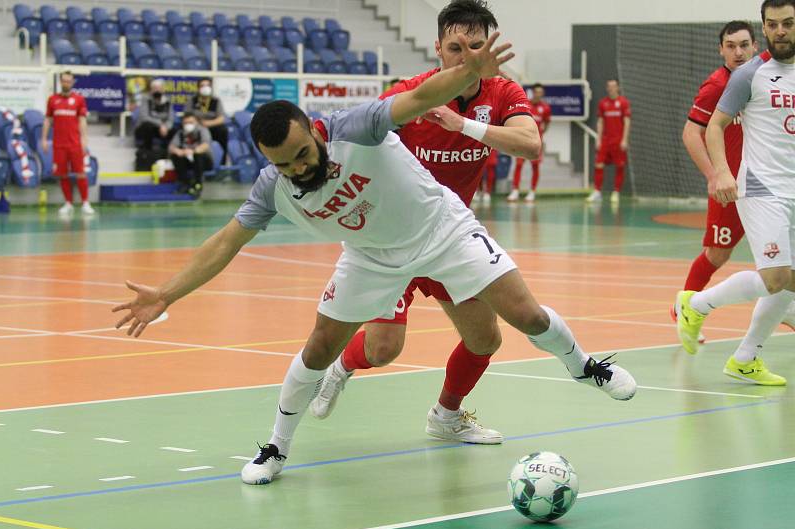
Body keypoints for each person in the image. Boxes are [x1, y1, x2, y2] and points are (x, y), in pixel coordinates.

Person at [112, 32, 637, 487]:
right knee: (319, 347)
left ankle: (584, 366)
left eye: (302, 155)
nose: (298, 169)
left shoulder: (354, 126)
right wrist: (166, 294)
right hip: (371, 256)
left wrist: (467, 75)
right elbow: (225, 243)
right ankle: (275, 447)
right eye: (284, 164)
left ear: (315, 134)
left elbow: (418, 98)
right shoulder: (274, 188)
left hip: (442, 229)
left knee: (525, 315)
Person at [312, 0, 540, 445]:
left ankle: (446, 417)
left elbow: (530, 145)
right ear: (438, 48)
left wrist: (464, 126)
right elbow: (355, 136)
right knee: (382, 349)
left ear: (489, 48)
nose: (467, 57)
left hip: (450, 238)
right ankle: (340, 367)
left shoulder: (503, 93)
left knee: (484, 339)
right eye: (456, 47)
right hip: (394, 238)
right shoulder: (410, 95)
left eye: (476, 46)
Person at [676, 0, 795, 386]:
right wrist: (720, 173)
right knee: (777, 276)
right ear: (765, 27)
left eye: (788, 23)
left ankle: (745, 359)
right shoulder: (749, 74)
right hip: (760, 186)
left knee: (783, 279)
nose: (780, 31)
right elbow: (712, 127)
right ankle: (696, 305)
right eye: (773, 24)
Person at [674, 21, 761, 344]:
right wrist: (714, 174)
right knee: (717, 254)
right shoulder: (716, 85)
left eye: (743, 44)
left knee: (778, 256)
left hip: (763, 184)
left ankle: (782, 314)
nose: (738, 52)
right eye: (730, 45)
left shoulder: (765, 79)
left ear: (755, 45)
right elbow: (690, 132)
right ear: (720, 49)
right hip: (731, 187)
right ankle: (685, 307)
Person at [42, 71, 94, 216]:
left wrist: (84, 139)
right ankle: (68, 203)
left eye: (69, 81)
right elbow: (47, 120)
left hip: (75, 144)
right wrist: (44, 139)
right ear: (60, 81)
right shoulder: (52, 100)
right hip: (59, 144)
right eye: (64, 81)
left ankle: (85, 203)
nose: (66, 83)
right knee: (62, 174)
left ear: (72, 82)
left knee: (80, 173)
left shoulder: (79, 100)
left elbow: (82, 121)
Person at [586, 79, 631, 204]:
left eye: (613, 86)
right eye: (609, 86)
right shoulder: (603, 103)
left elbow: (627, 122)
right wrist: (598, 139)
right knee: (598, 164)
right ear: (607, 88)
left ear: (618, 87)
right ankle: (597, 192)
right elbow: (600, 122)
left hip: (618, 140)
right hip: (605, 140)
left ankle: (616, 192)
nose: (611, 88)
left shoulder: (623, 103)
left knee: (620, 166)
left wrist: (624, 139)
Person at [508, 83, 551, 203]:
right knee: (519, 165)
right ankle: (515, 190)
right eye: (536, 92)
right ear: (532, 92)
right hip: (522, 141)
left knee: (535, 166)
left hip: (536, 142)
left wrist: (540, 135)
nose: (538, 94)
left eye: (541, 92)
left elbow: (547, 123)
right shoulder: (525, 105)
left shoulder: (546, 108)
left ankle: (532, 191)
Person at [168, 112, 213, 197]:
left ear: (196, 122)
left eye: (191, 122)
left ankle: (198, 185)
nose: (188, 125)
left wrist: (193, 151)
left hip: (204, 161)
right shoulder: (180, 133)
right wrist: (178, 151)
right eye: (186, 123)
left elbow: (206, 145)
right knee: (175, 156)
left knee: (198, 156)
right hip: (187, 160)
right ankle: (185, 184)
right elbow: (171, 147)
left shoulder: (203, 130)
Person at [186, 79, 228, 164]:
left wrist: (208, 123)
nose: (205, 88)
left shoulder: (216, 100)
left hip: (212, 126)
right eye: (202, 85)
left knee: (223, 130)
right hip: (196, 126)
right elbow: (187, 116)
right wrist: (197, 123)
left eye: (207, 85)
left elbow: (222, 118)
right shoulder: (192, 100)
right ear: (198, 88)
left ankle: (222, 162)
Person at [134, 79, 173, 169]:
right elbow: (144, 117)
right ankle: (147, 153)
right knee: (148, 127)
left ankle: (169, 155)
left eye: (159, 88)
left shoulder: (167, 101)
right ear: (151, 90)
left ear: (163, 89)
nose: (157, 90)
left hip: (162, 129)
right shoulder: (146, 99)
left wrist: (166, 127)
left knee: (174, 130)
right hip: (145, 128)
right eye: (154, 88)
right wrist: (161, 125)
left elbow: (170, 119)